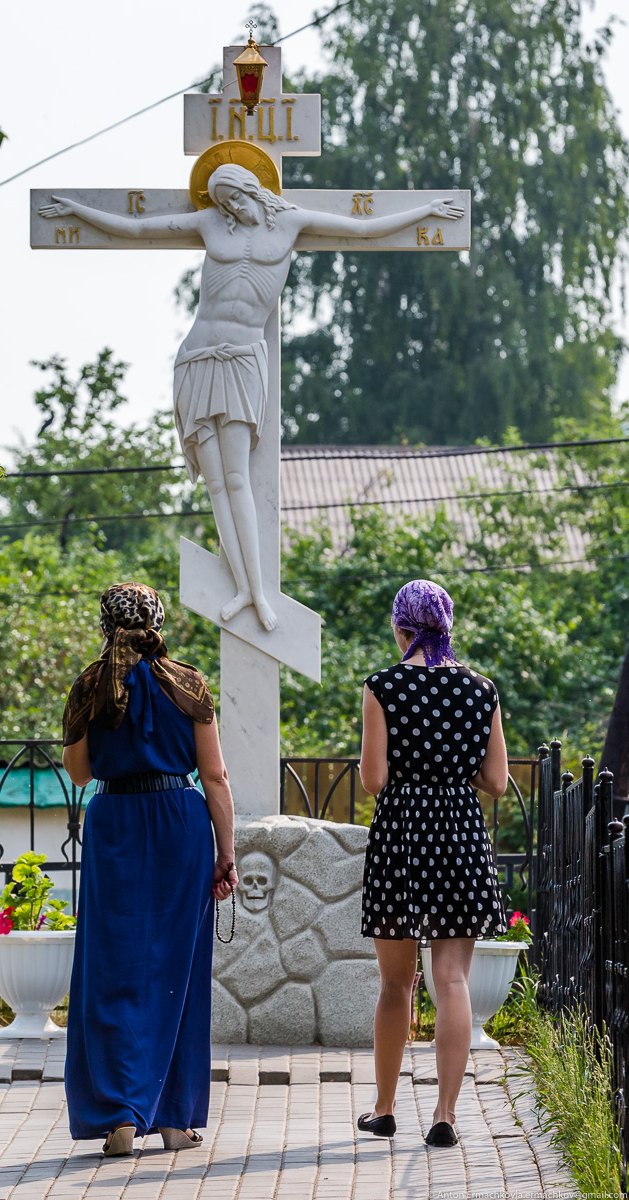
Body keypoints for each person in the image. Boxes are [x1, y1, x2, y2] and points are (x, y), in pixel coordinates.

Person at [40, 169, 464, 632]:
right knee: (216, 483)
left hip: (243, 357)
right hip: (199, 356)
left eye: (237, 199)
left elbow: (362, 228)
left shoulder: (291, 222)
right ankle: (242, 586)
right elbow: (139, 228)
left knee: (238, 477)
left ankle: (257, 591)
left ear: (251, 190)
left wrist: (424, 211)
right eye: (224, 203)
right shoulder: (209, 224)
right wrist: (78, 210)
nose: (233, 210)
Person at [60, 581, 238, 1156]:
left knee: (112, 970)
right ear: (159, 620)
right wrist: (226, 852)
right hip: (178, 825)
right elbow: (214, 776)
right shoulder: (188, 683)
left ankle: (117, 1116)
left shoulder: (88, 685)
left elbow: (81, 773)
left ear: (104, 623)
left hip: (115, 824)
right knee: (177, 969)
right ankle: (173, 1119)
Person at [356, 579, 508, 1147]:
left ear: (401, 629)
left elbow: (374, 780)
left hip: (402, 836)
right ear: (446, 627)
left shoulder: (382, 687)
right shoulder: (481, 690)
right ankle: (445, 1114)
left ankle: (386, 1108)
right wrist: (450, 772)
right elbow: (496, 782)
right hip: (460, 837)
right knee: (452, 980)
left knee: (396, 984)